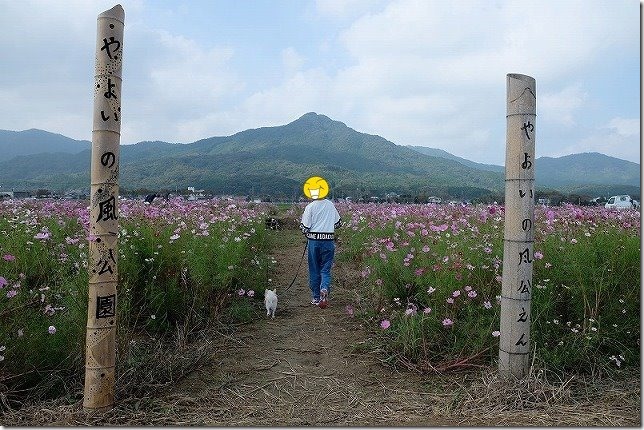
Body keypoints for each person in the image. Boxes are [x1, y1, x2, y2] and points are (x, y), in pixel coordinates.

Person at [299, 176, 342, 308]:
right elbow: (339, 223)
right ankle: (324, 288)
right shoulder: (331, 205)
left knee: (314, 269)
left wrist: (309, 231)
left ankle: (316, 297)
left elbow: (304, 227)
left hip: (314, 242)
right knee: (325, 269)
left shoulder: (310, 207)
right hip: (328, 242)